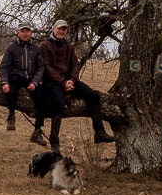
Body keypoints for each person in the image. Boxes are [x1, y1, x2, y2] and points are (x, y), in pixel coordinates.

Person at [36, 18, 115, 150]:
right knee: (59, 104)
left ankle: (99, 132)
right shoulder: (45, 45)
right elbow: (47, 67)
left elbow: (75, 64)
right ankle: (54, 141)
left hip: (69, 81)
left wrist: (72, 80)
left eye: (64, 29)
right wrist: (63, 83)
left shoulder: (68, 46)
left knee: (94, 96)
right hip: (52, 83)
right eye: (59, 28)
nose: (62, 31)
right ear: (53, 29)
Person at [0, 22, 46, 143]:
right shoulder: (12, 48)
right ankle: (11, 115)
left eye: (27, 31)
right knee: (12, 89)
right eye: (22, 31)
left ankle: (37, 131)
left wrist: (35, 82)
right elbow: (3, 67)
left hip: (31, 79)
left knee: (43, 98)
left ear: (31, 33)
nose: (25, 33)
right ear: (18, 33)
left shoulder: (36, 48)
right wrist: (4, 82)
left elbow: (41, 68)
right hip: (16, 77)